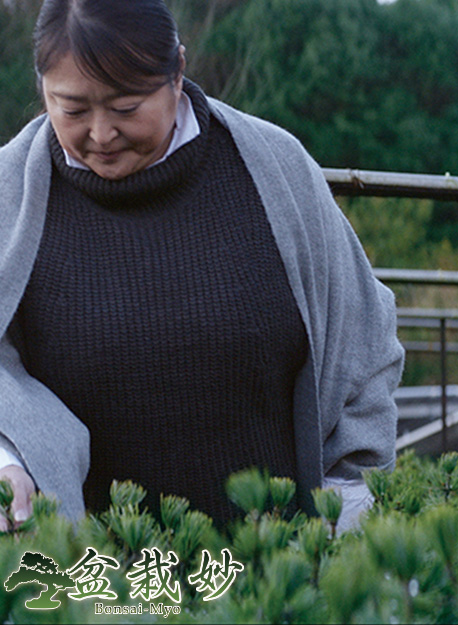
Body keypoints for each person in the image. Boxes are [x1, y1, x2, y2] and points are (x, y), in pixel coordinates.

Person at [0, 0, 404, 533]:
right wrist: (8, 455)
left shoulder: (274, 168)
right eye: (72, 110)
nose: (100, 134)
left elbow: (363, 338)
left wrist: (348, 503)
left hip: (271, 560)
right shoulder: (13, 193)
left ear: (177, 73)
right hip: (94, 578)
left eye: (125, 107)